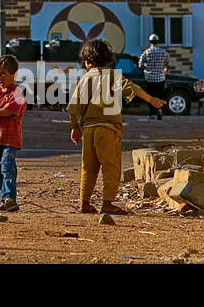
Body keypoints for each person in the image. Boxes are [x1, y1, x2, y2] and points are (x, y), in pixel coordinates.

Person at [67, 38, 165, 215]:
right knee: (111, 167)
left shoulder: (85, 79)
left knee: (88, 168)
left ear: (88, 62)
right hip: (108, 129)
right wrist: (152, 100)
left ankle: (85, 202)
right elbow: (133, 89)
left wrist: (75, 128)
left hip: (88, 130)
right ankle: (107, 203)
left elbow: (73, 108)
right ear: (108, 59)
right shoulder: (113, 75)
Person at [0, 55, 26, 212]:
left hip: (10, 139)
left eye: (3, 74)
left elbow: (9, 111)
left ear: (13, 75)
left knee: (7, 167)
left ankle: (9, 198)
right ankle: (4, 198)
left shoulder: (18, 93)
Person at [139, 33, 169, 120]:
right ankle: (159, 109)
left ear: (150, 42)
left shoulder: (146, 52)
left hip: (149, 78)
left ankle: (152, 113)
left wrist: (147, 67)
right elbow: (168, 64)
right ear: (157, 42)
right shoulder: (163, 52)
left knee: (151, 96)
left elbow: (140, 65)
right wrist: (164, 71)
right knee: (159, 95)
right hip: (160, 78)